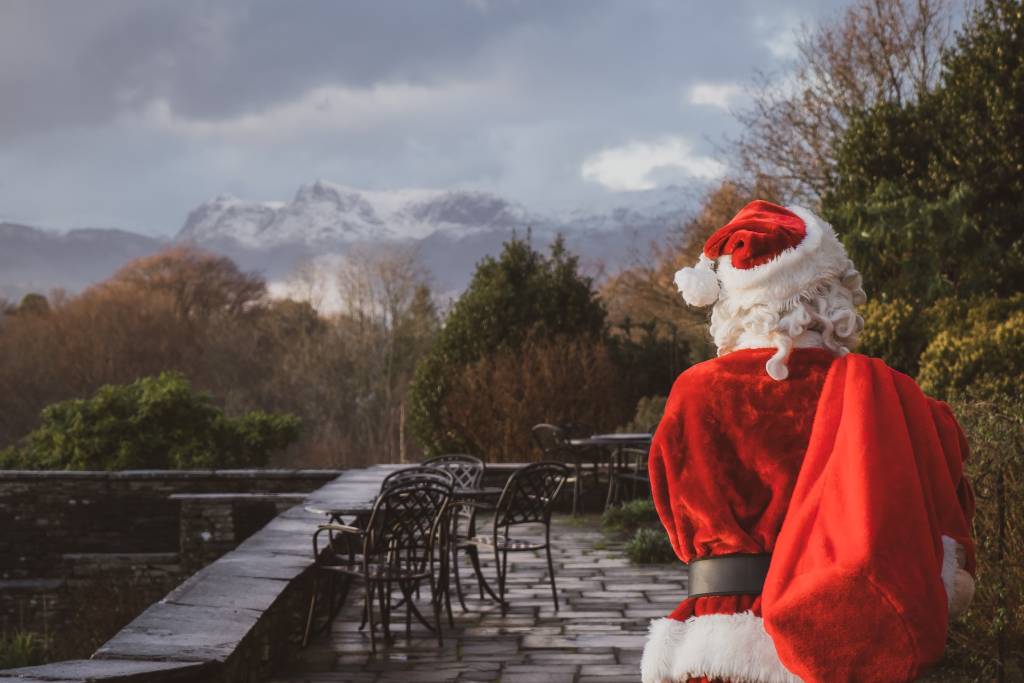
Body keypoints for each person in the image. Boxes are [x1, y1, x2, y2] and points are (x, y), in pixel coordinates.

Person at [640, 200, 976, 683]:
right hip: (857, 634)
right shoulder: (896, 399)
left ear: (731, 300)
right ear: (833, 293)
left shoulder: (696, 393)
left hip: (725, 642)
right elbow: (948, 529)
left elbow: (677, 518)